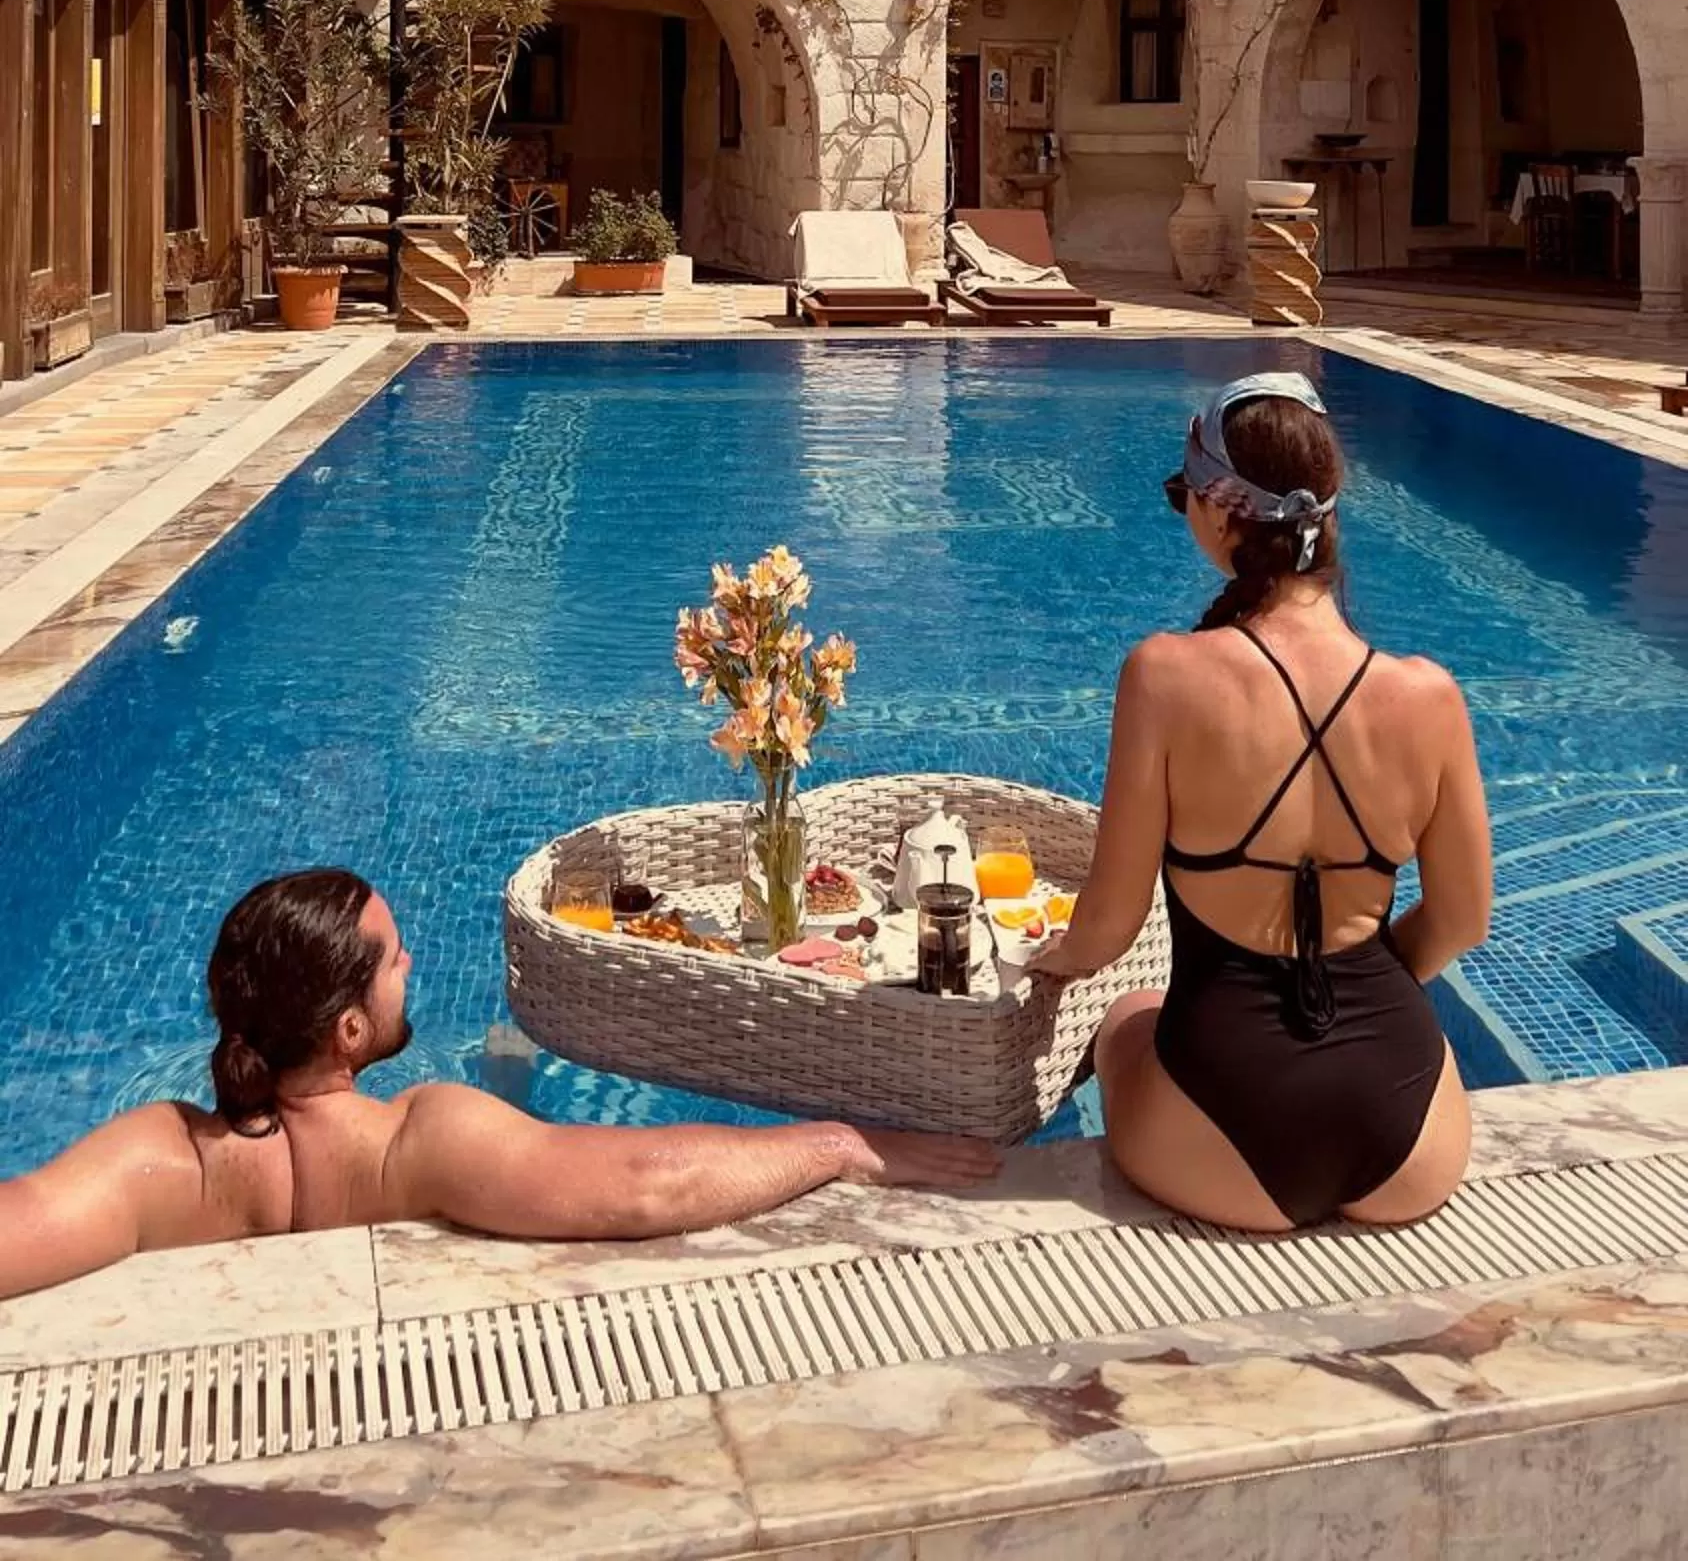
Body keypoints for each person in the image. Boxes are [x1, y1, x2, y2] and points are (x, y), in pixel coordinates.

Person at [0, 871, 999, 1302]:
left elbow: (24, 1220)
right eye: (391, 962)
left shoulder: (161, 1157)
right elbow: (645, 1184)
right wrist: (837, 1143)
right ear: (349, 1029)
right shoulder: (418, 1141)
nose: (411, 965)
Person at [1034, 373, 1491, 1232]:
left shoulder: (1166, 675)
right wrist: (1351, 992)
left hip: (1223, 1131)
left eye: (1183, 497)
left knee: (1127, 1015)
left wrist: (1045, 964)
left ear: (1217, 509)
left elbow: (1110, 929)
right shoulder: (1430, 696)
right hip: (1409, 1141)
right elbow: (1462, 922)